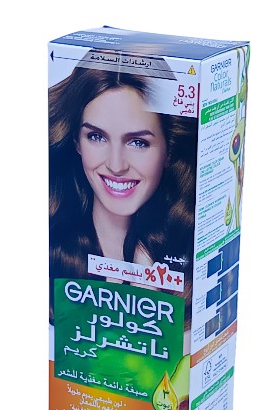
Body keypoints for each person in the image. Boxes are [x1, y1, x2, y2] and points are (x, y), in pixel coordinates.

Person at [49, 66, 197, 330]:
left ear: (168, 150)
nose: (116, 165)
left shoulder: (190, 266)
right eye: (96, 137)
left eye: (138, 142)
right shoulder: (50, 255)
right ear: (76, 143)